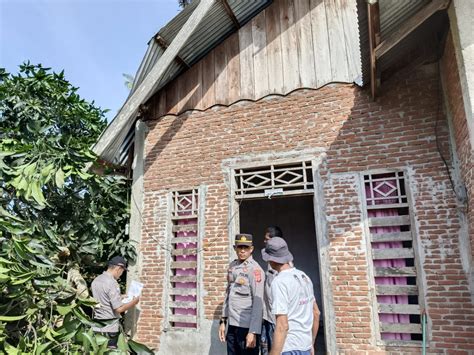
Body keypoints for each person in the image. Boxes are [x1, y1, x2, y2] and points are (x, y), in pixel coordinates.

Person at [262, 237, 320, 355]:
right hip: (306, 346)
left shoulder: (279, 282)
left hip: (289, 347)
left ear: (272, 260)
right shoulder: (304, 277)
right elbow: (316, 313)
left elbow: (282, 325)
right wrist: (311, 343)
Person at [219, 233, 265, 355]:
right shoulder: (232, 266)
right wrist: (223, 321)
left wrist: (253, 331)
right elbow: (228, 293)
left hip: (246, 326)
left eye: (246, 248)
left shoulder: (255, 270)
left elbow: (258, 302)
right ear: (235, 248)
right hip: (232, 325)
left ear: (251, 249)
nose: (242, 251)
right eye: (240, 247)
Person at [91, 256, 139, 348]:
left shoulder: (96, 280)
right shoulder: (112, 282)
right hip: (109, 329)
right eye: (122, 271)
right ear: (118, 269)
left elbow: (104, 298)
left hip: (97, 327)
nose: (121, 274)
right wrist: (134, 302)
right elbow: (119, 309)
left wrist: (121, 296)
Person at [261, 226, 283, 355]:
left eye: (267, 239)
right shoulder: (270, 261)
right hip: (268, 317)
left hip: (276, 320)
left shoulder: (283, 264)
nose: (264, 241)